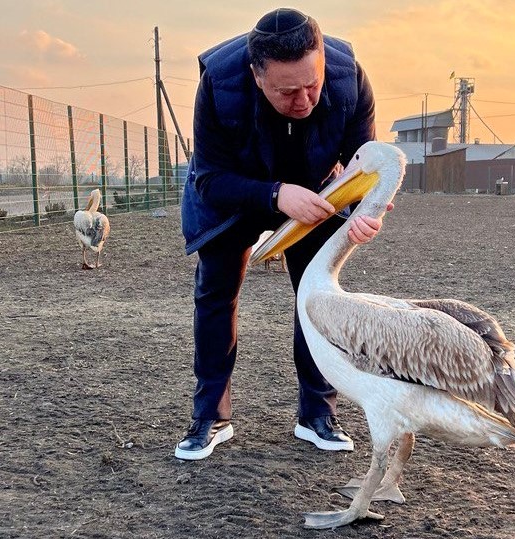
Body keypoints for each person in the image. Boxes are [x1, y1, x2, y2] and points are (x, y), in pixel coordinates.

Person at [176, 7, 385, 461]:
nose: (306, 100)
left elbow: (364, 166)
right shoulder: (219, 82)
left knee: (317, 297)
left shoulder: (349, 77)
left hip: (313, 192)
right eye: (287, 91)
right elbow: (209, 177)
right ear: (256, 76)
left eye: (313, 84)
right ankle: (211, 416)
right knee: (216, 293)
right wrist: (275, 195)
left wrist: (362, 212)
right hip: (234, 192)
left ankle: (317, 414)